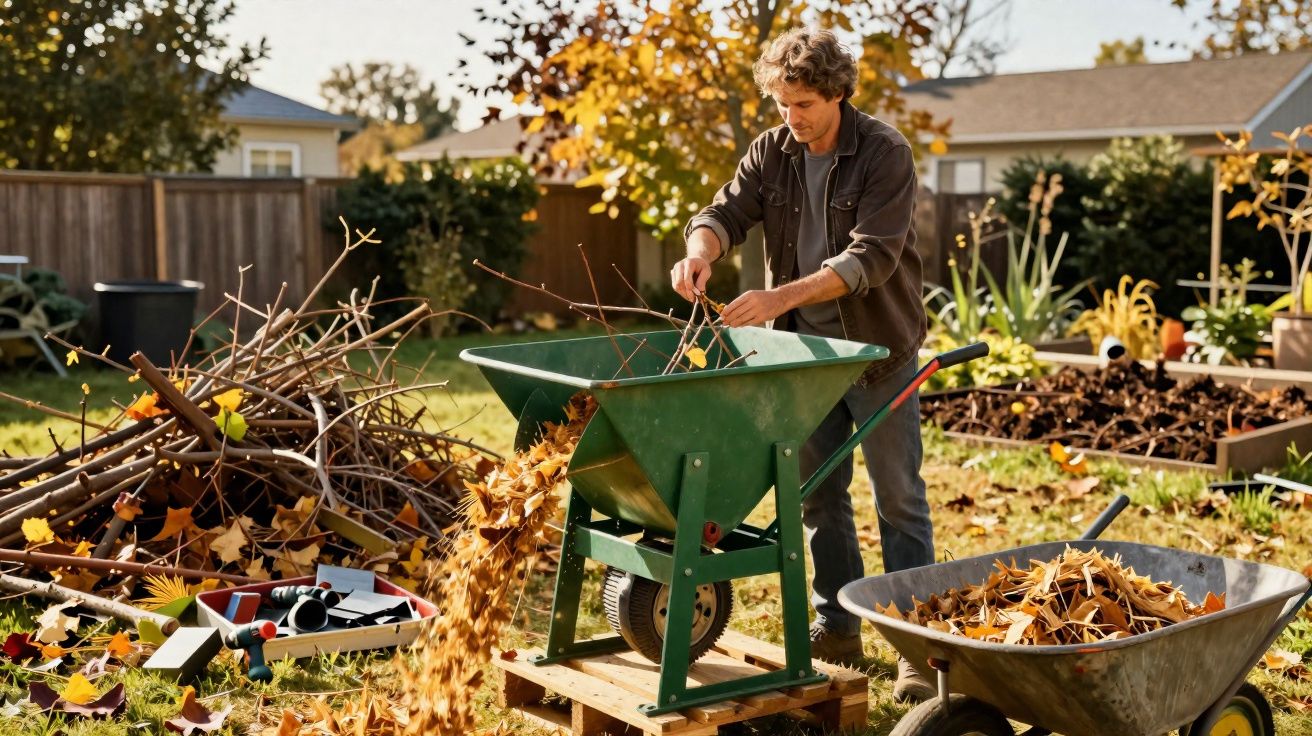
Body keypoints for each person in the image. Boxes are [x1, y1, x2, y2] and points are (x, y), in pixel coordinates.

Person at [669, 27, 935, 703]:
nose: (793, 117)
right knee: (818, 494)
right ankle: (837, 626)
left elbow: (871, 258)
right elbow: (725, 210)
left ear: (838, 93)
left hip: (875, 355)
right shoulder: (774, 150)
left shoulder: (883, 153)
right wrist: (701, 248)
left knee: (898, 500)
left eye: (806, 103)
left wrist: (775, 298)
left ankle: (917, 648)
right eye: (783, 103)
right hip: (803, 357)